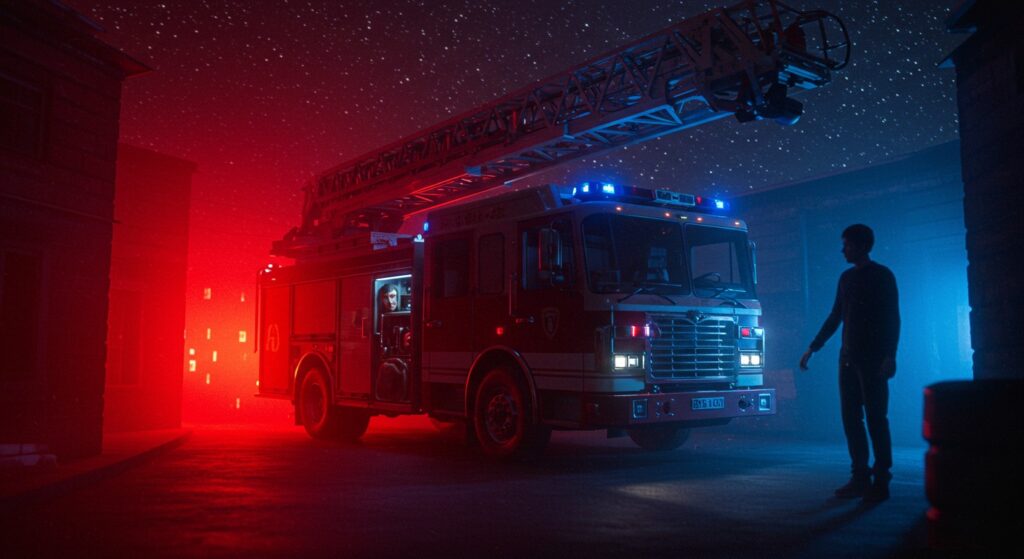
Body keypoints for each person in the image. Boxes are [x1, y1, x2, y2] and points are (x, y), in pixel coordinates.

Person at [799, 224, 900, 502]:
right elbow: (836, 316)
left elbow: (892, 318)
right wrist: (814, 347)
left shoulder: (882, 276)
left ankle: (880, 479)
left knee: (877, 419)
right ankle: (860, 477)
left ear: (861, 246)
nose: (843, 249)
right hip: (848, 360)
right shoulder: (846, 278)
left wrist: (890, 355)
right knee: (852, 419)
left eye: (847, 244)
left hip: (873, 360)